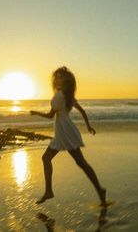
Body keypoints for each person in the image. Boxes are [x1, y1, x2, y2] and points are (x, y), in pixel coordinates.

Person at [30, 66, 106, 206]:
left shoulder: (60, 96)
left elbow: (50, 116)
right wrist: (88, 126)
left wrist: (35, 112)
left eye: (61, 78)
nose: (58, 80)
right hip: (66, 131)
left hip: (65, 132)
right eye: (57, 77)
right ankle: (99, 190)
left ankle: (49, 191)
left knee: (74, 162)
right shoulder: (68, 95)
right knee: (78, 162)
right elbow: (82, 111)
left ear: (67, 80)